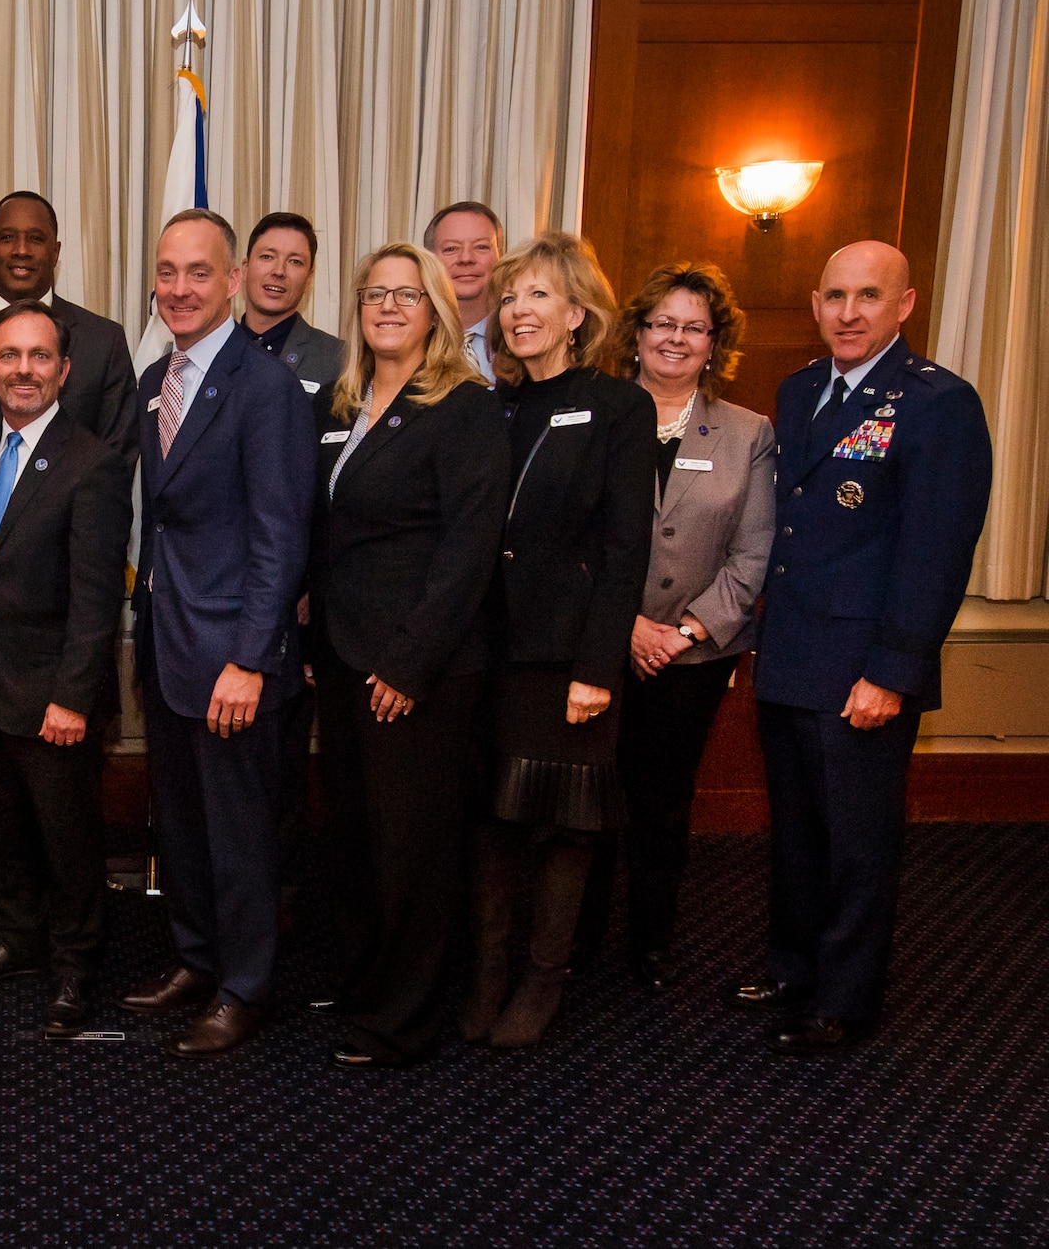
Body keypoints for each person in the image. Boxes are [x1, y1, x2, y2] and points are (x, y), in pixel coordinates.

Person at [729, 240, 991, 1056]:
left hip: (863, 667)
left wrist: (892, 670)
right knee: (799, 831)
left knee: (858, 842)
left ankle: (845, 998)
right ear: (815, 303)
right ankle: (793, 964)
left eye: (868, 296)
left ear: (905, 305)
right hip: (792, 653)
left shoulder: (936, 403)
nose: (849, 313)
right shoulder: (801, 387)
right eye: (835, 296)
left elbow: (936, 549)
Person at [0, 189, 139, 933]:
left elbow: (99, 517)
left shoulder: (102, 343)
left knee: (66, 823)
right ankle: (6, 927)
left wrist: (77, 681)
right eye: (4, 236)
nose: (19, 249)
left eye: (34, 237)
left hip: (56, 650)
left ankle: (71, 952)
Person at [304, 244, 507, 1069]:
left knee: (412, 847)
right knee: (355, 834)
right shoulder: (339, 399)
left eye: (407, 293)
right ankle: (367, 983)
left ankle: (406, 1020)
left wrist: (409, 664)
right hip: (346, 658)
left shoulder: (466, 408)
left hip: (416, 668)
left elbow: (468, 551)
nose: (388, 305)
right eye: (375, 293)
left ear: (437, 308)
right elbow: (328, 535)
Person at [117, 209, 313, 1058]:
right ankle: (197, 959)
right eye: (167, 272)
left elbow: (281, 534)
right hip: (166, 645)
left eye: (199, 272)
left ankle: (246, 986)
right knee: (184, 827)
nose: (180, 288)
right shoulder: (154, 378)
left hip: (232, 655)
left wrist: (250, 658)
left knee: (238, 834)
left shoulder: (266, 387)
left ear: (232, 281)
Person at [462, 231, 653, 1049]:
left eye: (538, 295)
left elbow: (625, 547)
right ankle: (488, 976)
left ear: (578, 313)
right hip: (491, 652)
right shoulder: (491, 404)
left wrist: (597, 666)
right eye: (509, 298)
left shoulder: (618, 405)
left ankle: (544, 983)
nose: (518, 310)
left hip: (569, 656)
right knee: (495, 826)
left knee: (565, 831)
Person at [572, 263, 774, 991]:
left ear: (715, 343)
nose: (677, 338)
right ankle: (577, 939)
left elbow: (754, 553)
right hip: (599, 645)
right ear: (636, 333)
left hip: (692, 658)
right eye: (663, 322)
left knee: (662, 804)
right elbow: (571, 537)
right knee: (587, 802)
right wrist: (624, 625)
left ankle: (651, 941)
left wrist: (683, 632)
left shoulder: (749, 433)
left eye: (695, 326)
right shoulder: (596, 414)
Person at [0, 301, 133, 1035]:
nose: (24, 370)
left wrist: (75, 696)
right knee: (1, 832)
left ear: (64, 370)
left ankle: (76, 967)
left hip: (54, 695)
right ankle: (17, 939)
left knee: (67, 838)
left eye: (39, 357)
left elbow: (95, 596)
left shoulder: (93, 462)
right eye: (10, 356)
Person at [238, 211, 345, 927]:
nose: (278, 271)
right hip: (207, 586)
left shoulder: (339, 361)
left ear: (311, 274)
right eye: (267, 257)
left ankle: (270, 907)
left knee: (276, 763)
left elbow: (339, 485)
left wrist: (311, 585)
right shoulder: (200, 349)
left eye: (295, 260)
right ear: (242, 268)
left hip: (294, 595)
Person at [423, 201, 505, 383]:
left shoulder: (521, 334)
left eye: (481, 247)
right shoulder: (412, 339)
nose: (466, 258)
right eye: (451, 249)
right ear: (430, 261)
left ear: (501, 256)